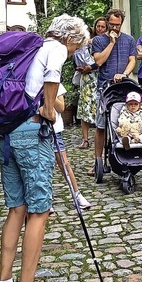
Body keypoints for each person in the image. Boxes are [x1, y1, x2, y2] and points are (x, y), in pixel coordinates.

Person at [0, 14, 89, 282]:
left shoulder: (31, 50)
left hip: (6, 134)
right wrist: (48, 110)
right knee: (39, 211)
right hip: (32, 135)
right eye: (76, 47)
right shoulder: (56, 49)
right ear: (70, 39)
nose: (73, 52)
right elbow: (53, 76)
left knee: (16, 209)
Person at [89, 9, 137, 176]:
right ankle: (98, 162)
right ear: (107, 22)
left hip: (123, 87)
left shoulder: (129, 39)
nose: (115, 28)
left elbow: (132, 60)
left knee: (124, 122)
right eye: (112, 24)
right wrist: (111, 42)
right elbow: (99, 61)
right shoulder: (99, 40)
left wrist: (125, 74)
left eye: (118, 25)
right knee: (101, 125)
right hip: (104, 87)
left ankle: (127, 157)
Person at [52, 82, 92, 210]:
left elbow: (61, 108)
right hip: (36, 130)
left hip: (54, 130)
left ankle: (77, 195)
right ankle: (44, 200)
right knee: (42, 166)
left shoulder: (55, 82)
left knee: (64, 163)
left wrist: (48, 92)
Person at [74, 17, 105, 149]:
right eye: (98, 26)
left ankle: (102, 138)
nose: (100, 29)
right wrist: (79, 66)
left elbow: (101, 61)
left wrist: (90, 67)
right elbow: (76, 57)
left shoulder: (107, 43)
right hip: (87, 79)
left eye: (103, 27)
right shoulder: (87, 42)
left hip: (100, 77)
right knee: (84, 108)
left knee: (101, 108)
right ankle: (85, 139)